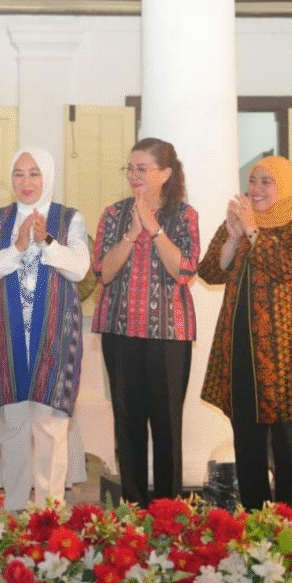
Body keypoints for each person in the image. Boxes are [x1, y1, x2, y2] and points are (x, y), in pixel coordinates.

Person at [200, 155, 292, 515]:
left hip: (288, 352)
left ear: (284, 186)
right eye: (252, 181)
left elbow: (287, 267)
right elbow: (210, 271)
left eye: (266, 182)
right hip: (242, 349)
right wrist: (233, 237)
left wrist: (253, 231)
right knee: (248, 442)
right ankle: (254, 522)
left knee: (290, 445)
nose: (255, 190)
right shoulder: (239, 225)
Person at [0, 147, 89, 510]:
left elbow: (79, 269)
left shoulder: (69, 219)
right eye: (19, 174)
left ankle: (48, 516)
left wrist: (46, 241)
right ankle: (12, 511)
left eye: (34, 173)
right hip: (10, 338)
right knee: (13, 429)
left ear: (48, 177)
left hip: (53, 337)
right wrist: (19, 247)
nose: (26, 182)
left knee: (50, 429)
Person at [92, 137, 199, 505]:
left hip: (168, 334)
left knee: (167, 424)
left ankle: (169, 509)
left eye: (143, 168)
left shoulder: (183, 215)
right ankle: (133, 506)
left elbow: (183, 270)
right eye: (130, 168)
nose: (134, 175)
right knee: (127, 423)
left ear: (165, 173)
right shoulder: (113, 213)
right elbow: (103, 273)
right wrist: (131, 233)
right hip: (120, 332)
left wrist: (153, 230)